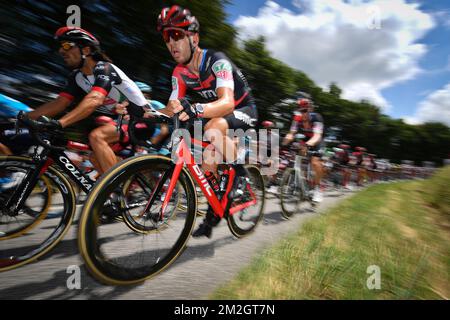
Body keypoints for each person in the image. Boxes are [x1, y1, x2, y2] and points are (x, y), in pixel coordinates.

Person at [156, 5, 258, 238]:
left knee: (212, 129)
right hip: (218, 113)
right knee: (207, 163)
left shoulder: (216, 61)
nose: (171, 43)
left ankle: (240, 175)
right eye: (166, 37)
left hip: (242, 108)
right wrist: (145, 114)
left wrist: (196, 108)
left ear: (194, 37)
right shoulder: (179, 73)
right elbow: (172, 107)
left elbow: (227, 103)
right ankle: (214, 213)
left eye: (177, 35)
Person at [26, 27, 148, 175]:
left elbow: (95, 99)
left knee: (97, 136)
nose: (61, 51)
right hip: (123, 122)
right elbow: (59, 103)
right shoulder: (77, 77)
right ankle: (124, 188)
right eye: (60, 47)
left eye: (67, 46)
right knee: (95, 157)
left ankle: (114, 190)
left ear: (86, 50)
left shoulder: (105, 68)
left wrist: (60, 123)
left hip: (143, 120)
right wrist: (25, 118)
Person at [282, 97, 325, 202]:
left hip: (317, 140)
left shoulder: (317, 118)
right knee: (297, 156)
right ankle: (300, 182)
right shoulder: (297, 119)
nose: (303, 113)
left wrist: (308, 145)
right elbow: (291, 134)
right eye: (300, 111)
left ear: (310, 109)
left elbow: (317, 136)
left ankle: (318, 188)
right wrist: (284, 143)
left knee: (315, 162)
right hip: (306, 139)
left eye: (305, 110)